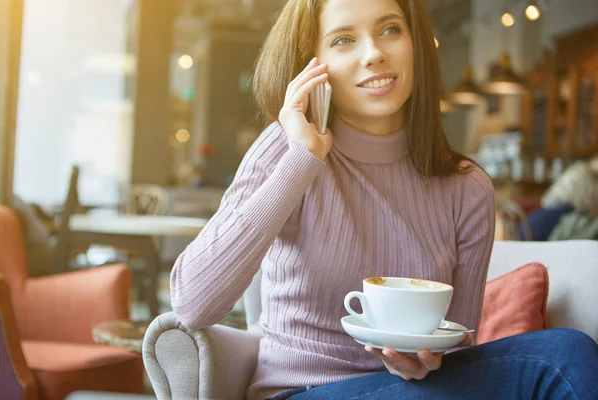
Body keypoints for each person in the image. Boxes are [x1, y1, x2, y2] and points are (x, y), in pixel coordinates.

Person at [170, 0, 598, 398]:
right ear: (312, 67)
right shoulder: (285, 149)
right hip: (301, 391)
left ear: (416, 45)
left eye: (390, 30)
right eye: (343, 40)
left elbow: (456, 344)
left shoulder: (468, 190)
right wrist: (301, 161)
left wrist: (427, 362)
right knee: (563, 357)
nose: (373, 53)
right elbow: (192, 303)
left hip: (411, 391)